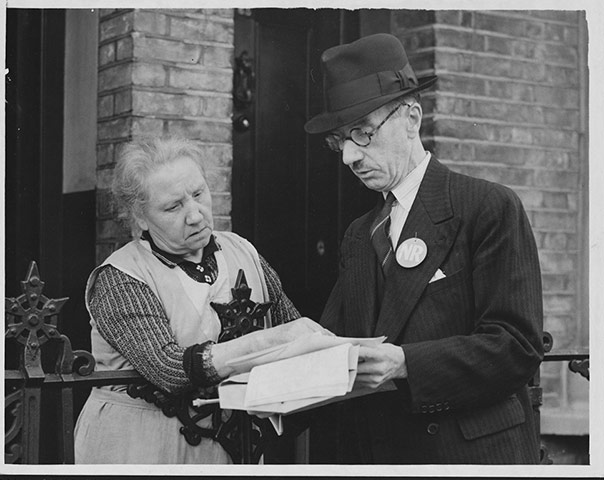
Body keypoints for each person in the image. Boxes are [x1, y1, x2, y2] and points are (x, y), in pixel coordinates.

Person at [303, 33, 544, 464]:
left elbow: (517, 346)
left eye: (362, 133)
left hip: (471, 458)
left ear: (411, 118)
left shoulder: (485, 207)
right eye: (340, 141)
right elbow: (337, 345)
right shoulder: (359, 235)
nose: (349, 158)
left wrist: (405, 363)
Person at [74, 136, 325, 464]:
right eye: (173, 206)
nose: (195, 215)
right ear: (140, 217)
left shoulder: (243, 251)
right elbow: (170, 369)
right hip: (142, 451)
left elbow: (293, 331)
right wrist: (273, 341)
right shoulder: (120, 278)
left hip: (231, 450)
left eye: (198, 194)